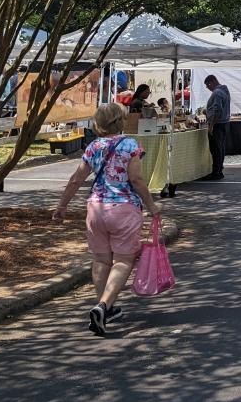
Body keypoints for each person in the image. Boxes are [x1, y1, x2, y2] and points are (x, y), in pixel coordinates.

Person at [53, 102, 162, 335]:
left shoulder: (93, 146)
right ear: (120, 121)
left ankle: (105, 307)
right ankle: (104, 305)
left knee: (101, 260)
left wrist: (62, 206)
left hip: (95, 209)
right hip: (123, 209)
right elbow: (136, 179)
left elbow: (76, 179)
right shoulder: (130, 144)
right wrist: (152, 206)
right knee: (123, 260)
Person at [203, 74, 231, 180]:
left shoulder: (217, 93)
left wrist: (211, 125)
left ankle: (216, 171)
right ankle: (219, 168)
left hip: (218, 124)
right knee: (220, 147)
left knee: (216, 148)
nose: (208, 88)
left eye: (208, 85)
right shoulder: (224, 91)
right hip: (224, 123)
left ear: (212, 82)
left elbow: (217, 110)